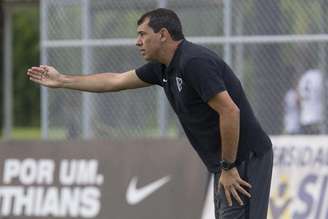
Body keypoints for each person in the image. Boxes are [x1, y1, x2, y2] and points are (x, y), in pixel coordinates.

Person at [27, 8, 273, 219]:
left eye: (142, 34)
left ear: (163, 35)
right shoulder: (163, 68)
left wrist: (229, 167)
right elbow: (114, 81)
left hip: (244, 159)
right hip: (225, 165)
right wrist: (62, 80)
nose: (137, 41)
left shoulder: (194, 62)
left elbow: (230, 111)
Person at [297, 69, 324, 135]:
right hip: (318, 115)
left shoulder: (304, 77)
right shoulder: (320, 76)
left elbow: (299, 96)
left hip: (305, 116)